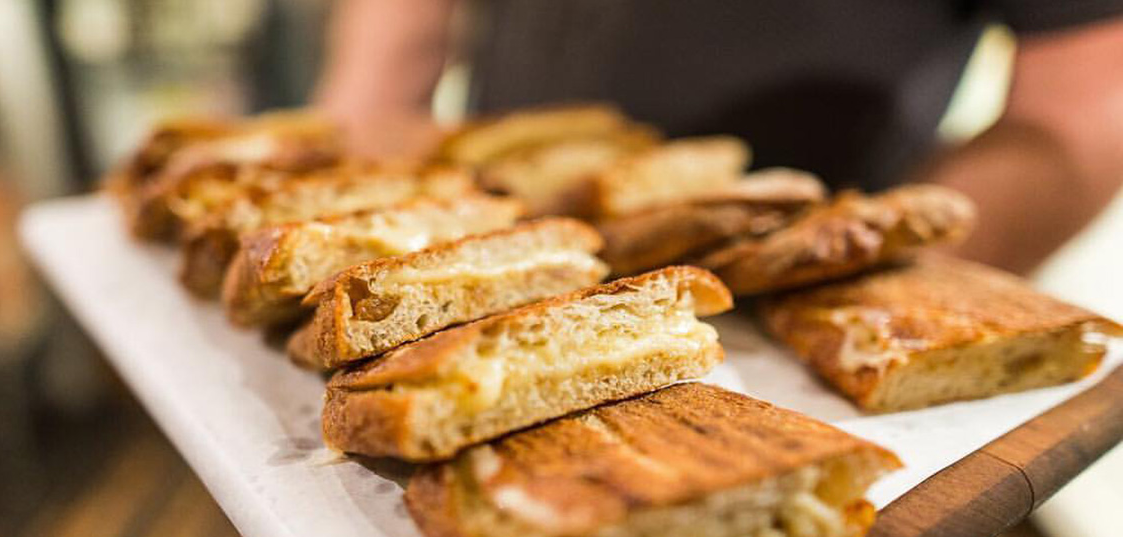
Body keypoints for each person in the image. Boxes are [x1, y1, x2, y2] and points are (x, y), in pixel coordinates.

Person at [315, 1, 1123, 274]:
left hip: (808, 278)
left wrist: (867, 298)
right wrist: (366, 106)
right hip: (485, 215)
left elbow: (1083, 109)